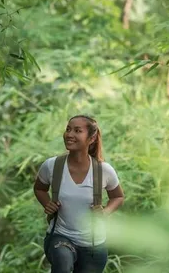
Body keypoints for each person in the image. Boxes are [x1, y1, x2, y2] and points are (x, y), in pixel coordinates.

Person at [33, 115, 125, 273]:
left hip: (94, 245)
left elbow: (118, 196)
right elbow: (39, 188)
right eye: (68, 129)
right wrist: (47, 204)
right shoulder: (52, 166)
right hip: (60, 236)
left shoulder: (103, 170)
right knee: (63, 262)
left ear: (92, 138)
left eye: (77, 130)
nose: (69, 134)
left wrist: (105, 212)